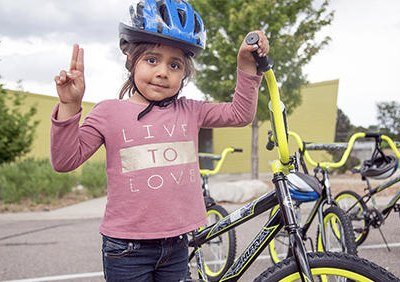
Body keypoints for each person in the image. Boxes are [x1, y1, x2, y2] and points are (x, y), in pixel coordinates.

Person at [51, 0, 269, 281]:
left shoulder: (190, 110)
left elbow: (239, 114)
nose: (163, 71)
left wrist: (246, 65)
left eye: (175, 64)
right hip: (127, 249)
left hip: (177, 245)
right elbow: (65, 161)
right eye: (152, 60)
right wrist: (70, 105)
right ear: (131, 60)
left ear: (184, 74)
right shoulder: (108, 112)